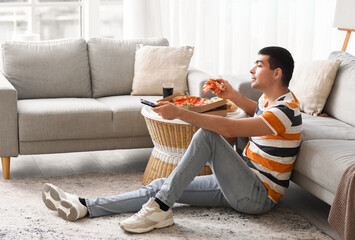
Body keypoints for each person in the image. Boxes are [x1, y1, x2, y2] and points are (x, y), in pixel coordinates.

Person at [41, 46, 302, 234]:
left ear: (277, 73)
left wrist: (180, 112)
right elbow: (254, 111)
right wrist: (231, 93)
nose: (251, 69)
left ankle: (160, 208)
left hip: (258, 196)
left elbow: (229, 127)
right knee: (162, 185)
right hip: (240, 182)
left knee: (208, 135)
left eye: (259, 64)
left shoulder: (285, 111)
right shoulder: (270, 102)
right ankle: (85, 206)